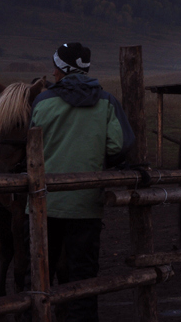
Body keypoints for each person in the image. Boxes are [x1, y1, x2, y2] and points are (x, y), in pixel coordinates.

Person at [30, 42, 135, 322]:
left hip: (44, 202)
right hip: (86, 204)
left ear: (62, 69)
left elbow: (30, 147)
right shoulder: (107, 101)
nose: (52, 72)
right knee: (84, 276)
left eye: (55, 66)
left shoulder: (42, 102)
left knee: (41, 275)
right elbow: (119, 146)